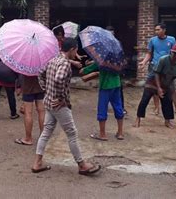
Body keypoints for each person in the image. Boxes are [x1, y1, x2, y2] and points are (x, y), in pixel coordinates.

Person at [31, 38, 101, 175]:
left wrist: (47, 90)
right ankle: (81, 165)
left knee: (46, 132)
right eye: (76, 50)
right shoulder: (64, 64)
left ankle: (37, 163)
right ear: (72, 49)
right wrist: (61, 98)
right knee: (72, 133)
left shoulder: (53, 59)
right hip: (58, 105)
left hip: (49, 101)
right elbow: (59, 79)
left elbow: (40, 73)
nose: (76, 53)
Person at [133, 44, 176, 128]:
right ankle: (138, 118)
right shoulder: (163, 59)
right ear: (171, 52)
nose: (174, 55)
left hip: (166, 83)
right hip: (153, 81)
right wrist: (159, 88)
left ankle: (167, 121)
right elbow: (156, 73)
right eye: (173, 53)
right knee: (145, 99)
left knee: (167, 101)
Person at [139, 23, 176, 115]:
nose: (156, 32)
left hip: (166, 68)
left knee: (170, 87)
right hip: (154, 66)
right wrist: (144, 62)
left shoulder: (171, 40)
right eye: (155, 30)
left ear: (164, 30)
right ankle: (156, 107)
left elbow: (174, 53)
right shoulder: (153, 40)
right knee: (153, 87)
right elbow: (149, 53)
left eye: (158, 29)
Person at [82, 59, 124, 141]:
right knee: (118, 107)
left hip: (105, 85)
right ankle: (120, 133)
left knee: (102, 108)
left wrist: (84, 69)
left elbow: (88, 69)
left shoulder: (101, 59)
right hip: (116, 83)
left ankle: (102, 134)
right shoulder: (117, 58)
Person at [14, 74, 45, 145]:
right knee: (42, 111)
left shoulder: (25, 63)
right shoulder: (42, 63)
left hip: (28, 87)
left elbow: (20, 74)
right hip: (40, 87)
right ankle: (43, 137)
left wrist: (18, 85)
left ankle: (28, 138)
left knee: (28, 112)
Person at [106, 25, 127, 115]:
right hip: (106, 69)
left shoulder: (118, 43)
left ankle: (121, 107)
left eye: (112, 33)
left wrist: (122, 69)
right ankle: (105, 107)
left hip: (116, 69)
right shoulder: (103, 44)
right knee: (106, 88)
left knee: (118, 89)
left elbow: (121, 56)